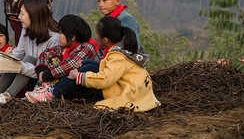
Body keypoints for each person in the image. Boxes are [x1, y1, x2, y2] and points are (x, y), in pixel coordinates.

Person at [23, 17, 160, 113]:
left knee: (89, 68)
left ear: (105, 40)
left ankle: (52, 94)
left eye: (98, 34)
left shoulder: (118, 56)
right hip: (128, 89)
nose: (96, 36)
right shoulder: (119, 51)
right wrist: (80, 66)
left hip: (128, 95)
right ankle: (53, 91)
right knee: (90, 63)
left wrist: (80, 76)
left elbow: (106, 79)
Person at [0, 0, 60, 105]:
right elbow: (17, 54)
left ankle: (7, 95)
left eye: (22, 14)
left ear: (33, 15)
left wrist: (20, 66)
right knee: (16, 58)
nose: (19, 17)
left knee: (29, 58)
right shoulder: (26, 31)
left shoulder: (54, 39)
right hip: (26, 76)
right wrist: (6, 61)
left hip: (42, 81)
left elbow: (48, 74)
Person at [25, 14, 100, 103]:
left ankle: (50, 93)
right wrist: (42, 71)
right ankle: (42, 91)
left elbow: (69, 65)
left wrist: (46, 75)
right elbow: (45, 54)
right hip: (69, 86)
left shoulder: (87, 47)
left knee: (77, 68)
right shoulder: (64, 48)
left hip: (84, 90)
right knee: (52, 60)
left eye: (61, 33)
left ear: (73, 37)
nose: (58, 35)